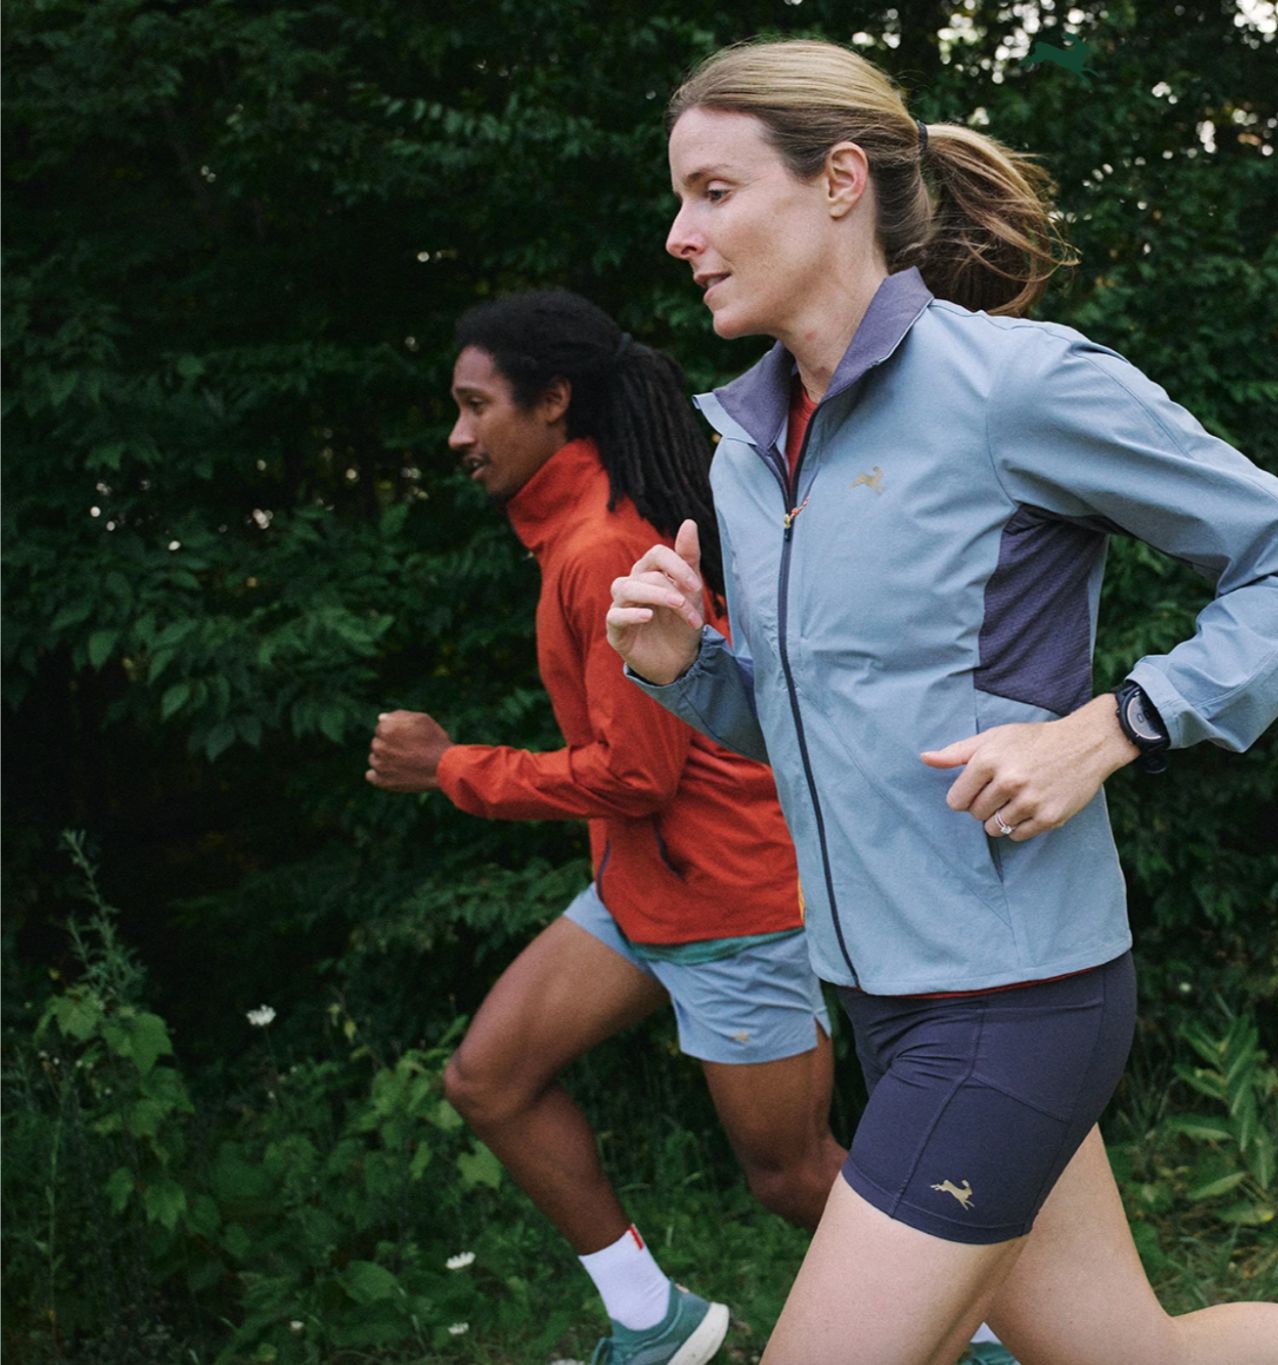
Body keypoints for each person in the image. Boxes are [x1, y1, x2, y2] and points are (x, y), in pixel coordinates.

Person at [604, 37, 1278, 1365]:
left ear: (839, 180)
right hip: (879, 994)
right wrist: (689, 669)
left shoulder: (1016, 385)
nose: (681, 235)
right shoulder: (749, 453)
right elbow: (816, 733)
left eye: (713, 192)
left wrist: (1111, 726)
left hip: (1014, 997)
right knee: (1132, 1353)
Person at [364, 289, 844, 1365]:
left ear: (552, 402)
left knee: (792, 1174)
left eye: (473, 406)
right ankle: (652, 1319)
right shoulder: (569, 537)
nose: (456, 435)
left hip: (728, 903)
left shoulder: (601, 549)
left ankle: (997, 1323)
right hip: (641, 893)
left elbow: (636, 772)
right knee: (488, 1079)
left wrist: (448, 767)